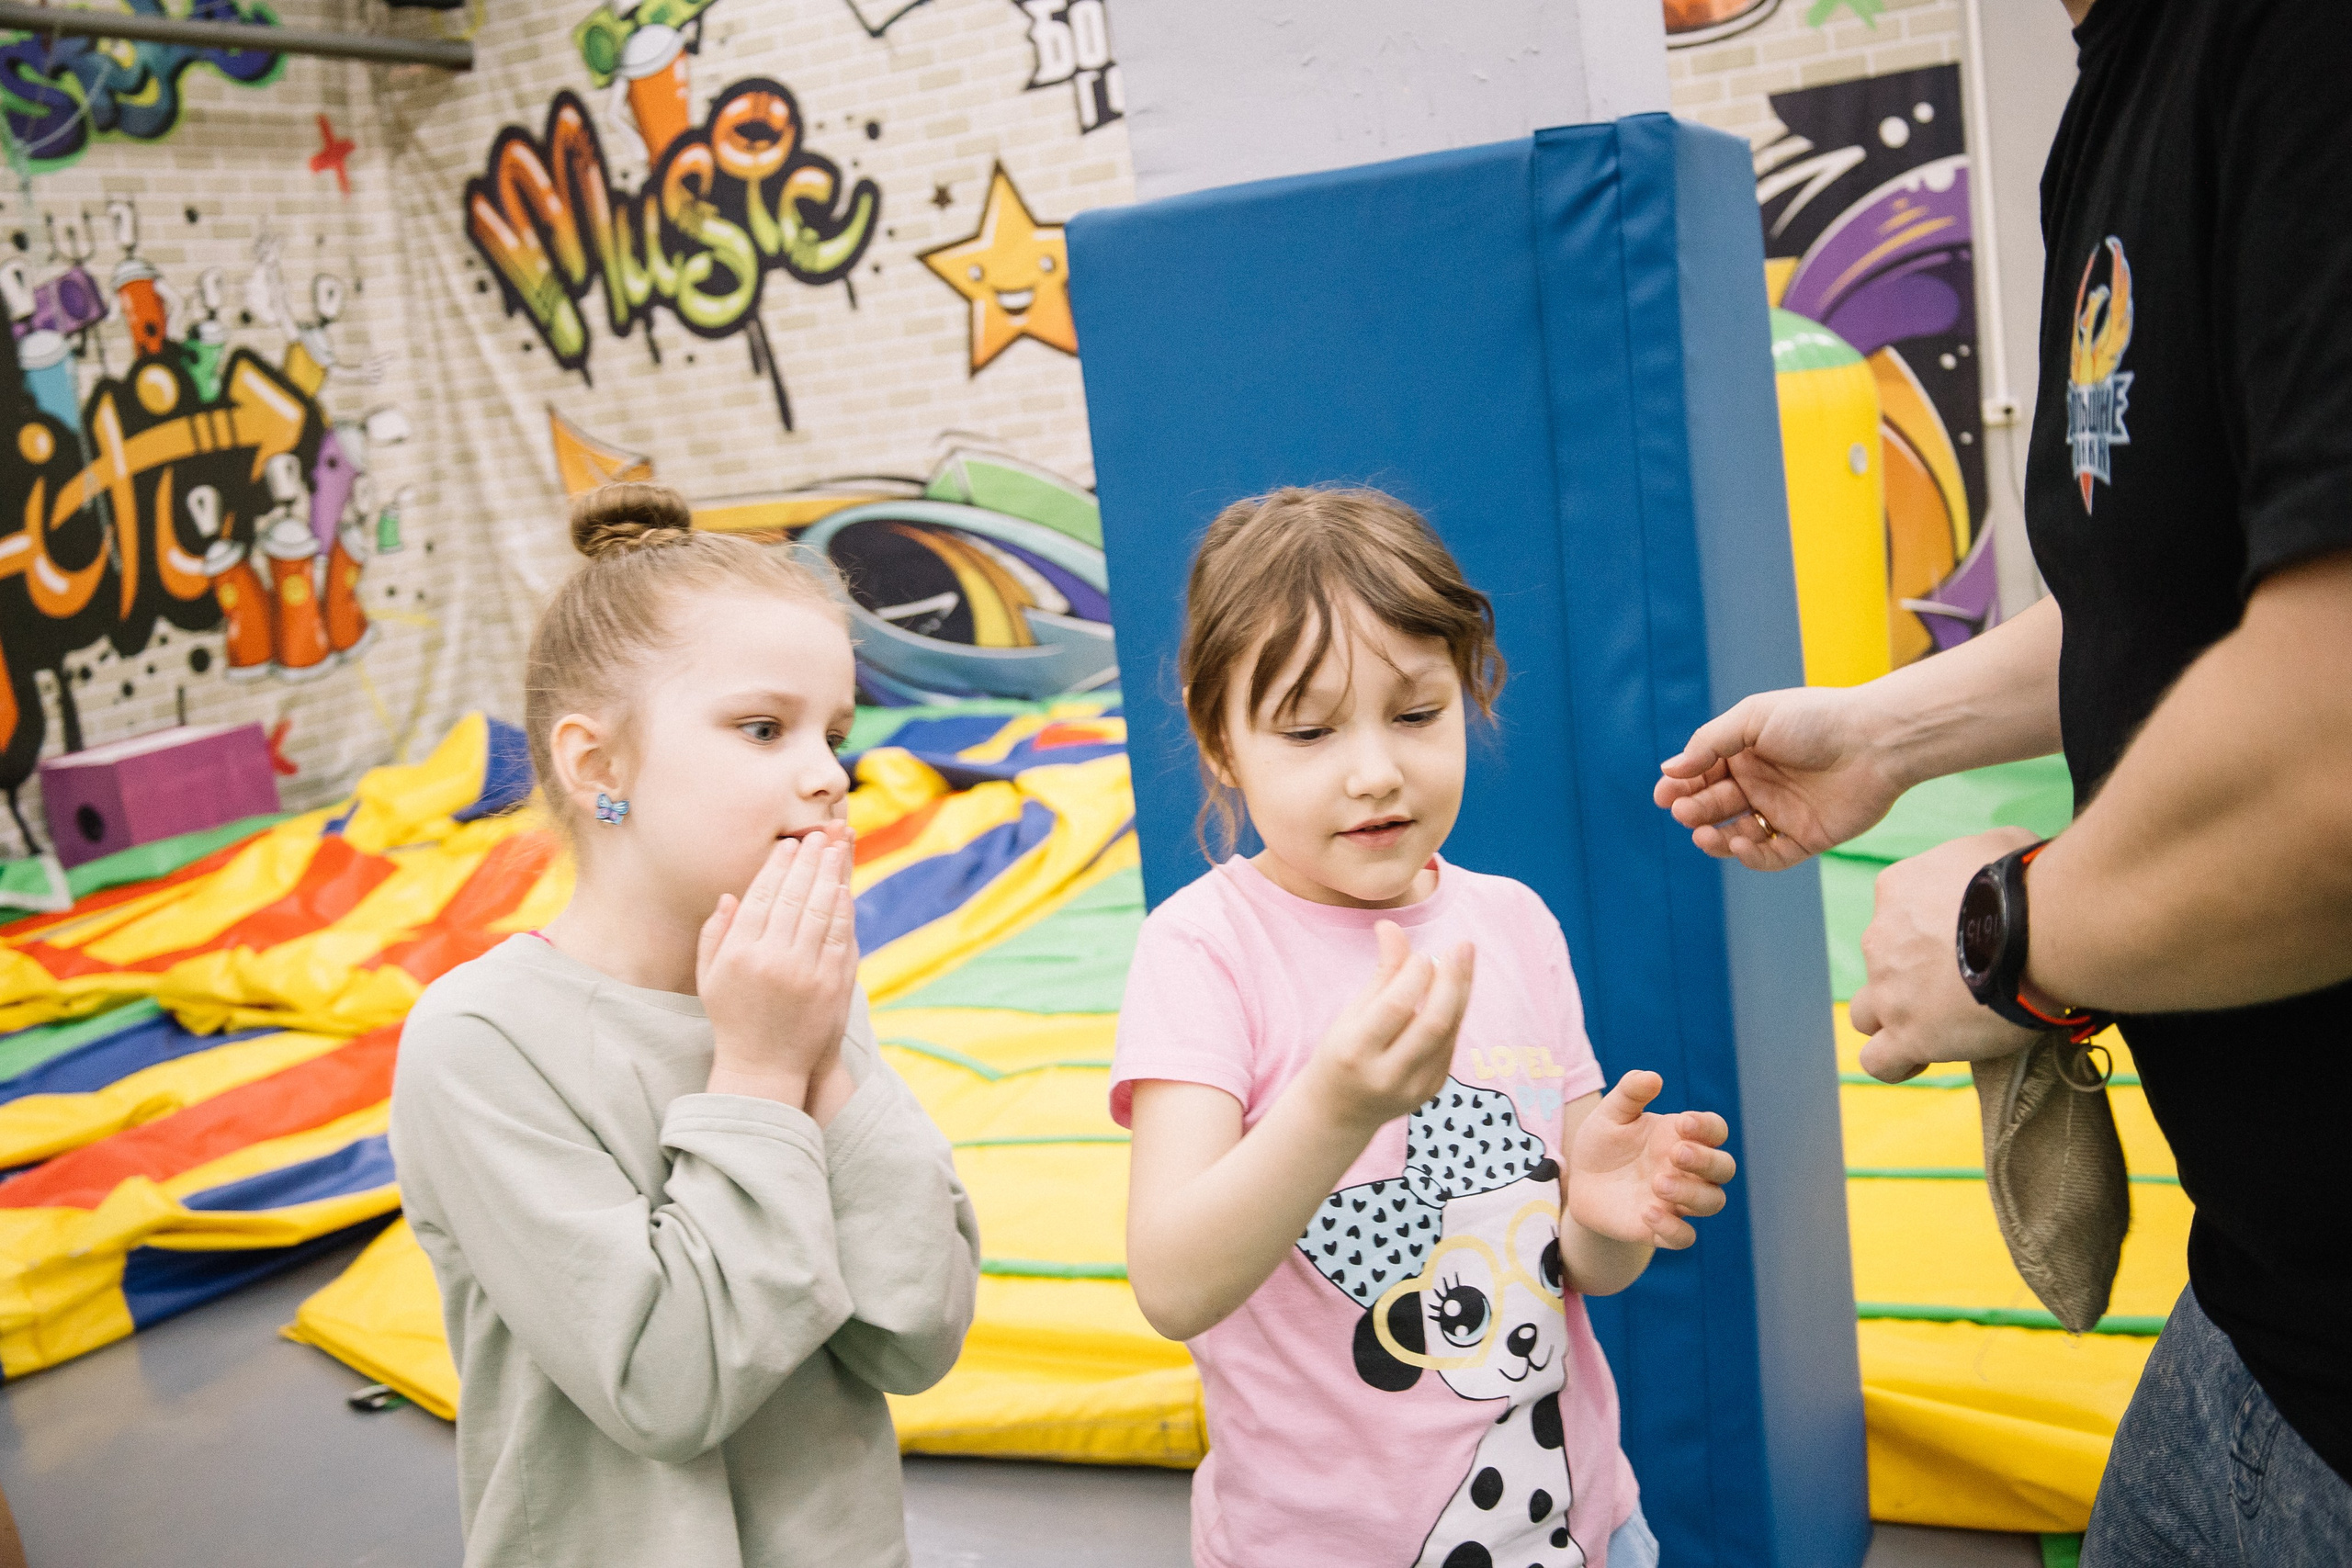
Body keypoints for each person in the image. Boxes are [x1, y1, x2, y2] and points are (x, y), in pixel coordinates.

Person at [1652, 0, 2352, 1559]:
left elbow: (2331, 755)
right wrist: (1891, 730)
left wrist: (2013, 941)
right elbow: (2178, 599)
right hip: (2262, 1307)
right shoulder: (2126, 86)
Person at [1114, 487, 1738, 1568]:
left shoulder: (1513, 924)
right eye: (1308, 730)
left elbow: (1579, 1265)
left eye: (1415, 714)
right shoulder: (1204, 950)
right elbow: (1172, 1283)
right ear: (1219, 736)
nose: (1374, 772)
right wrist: (1335, 1109)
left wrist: (1605, 1216)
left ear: (1469, 693)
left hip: (1573, 1526)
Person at [389, 483, 980, 1568]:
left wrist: (821, 1061)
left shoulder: (796, 984)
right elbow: (671, 1386)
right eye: (764, 728)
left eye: (835, 732)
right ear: (597, 764)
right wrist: (760, 1069)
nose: (828, 774)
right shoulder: (478, 1044)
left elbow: (915, 1331)